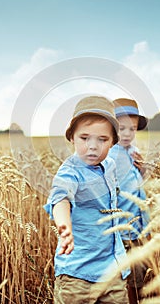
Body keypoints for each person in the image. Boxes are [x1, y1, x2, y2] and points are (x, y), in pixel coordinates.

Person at [44, 96, 130, 304]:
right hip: (77, 276)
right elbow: (61, 199)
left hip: (113, 270)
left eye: (102, 139)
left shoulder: (109, 165)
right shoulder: (70, 172)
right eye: (84, 138)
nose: (93, 146)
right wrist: (65, 230)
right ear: (72, 138)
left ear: (113, 142)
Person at [108, 98, 151, 304]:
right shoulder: (109, 156)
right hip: (123, 230)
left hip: (139, 227)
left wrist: (141, 169)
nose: (127, 134)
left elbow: (135, 186)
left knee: (139, 278)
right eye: (121, 128)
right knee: (129, 280)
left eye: (132, 129)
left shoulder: (132, 152)